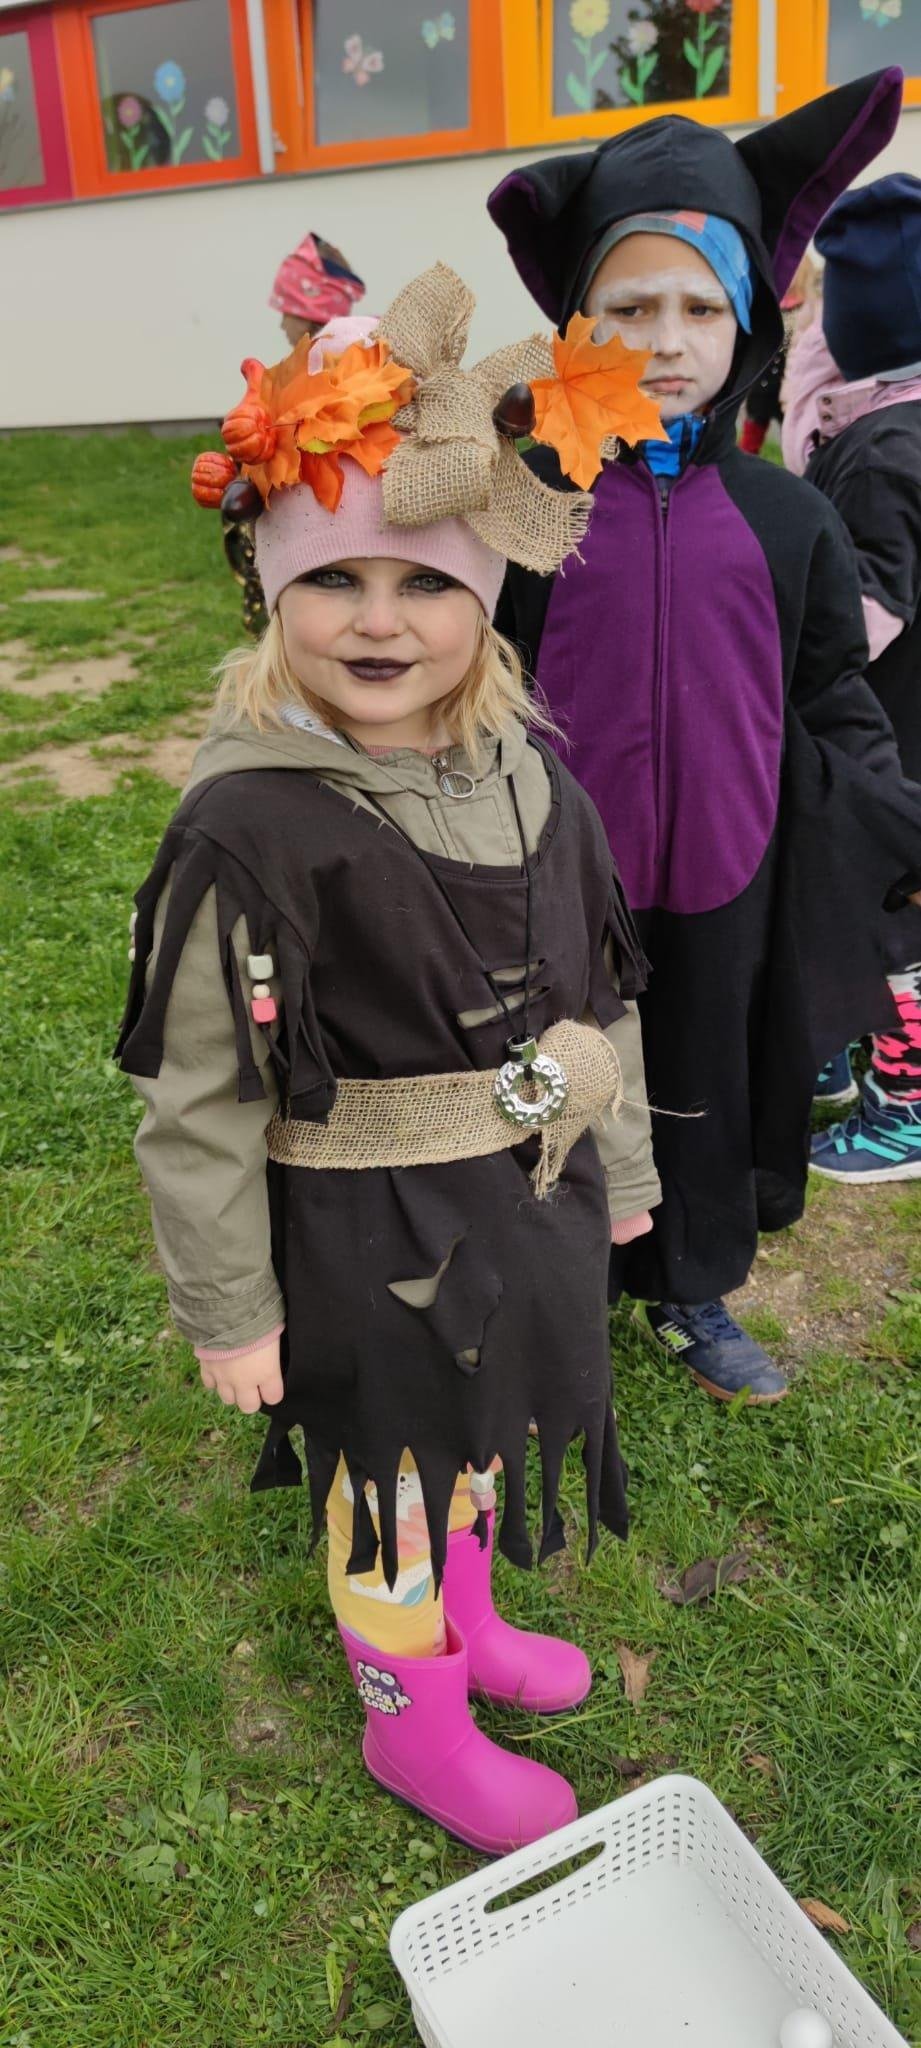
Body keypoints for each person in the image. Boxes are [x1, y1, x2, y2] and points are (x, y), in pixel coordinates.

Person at [117, 265, 662, 1856]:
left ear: (483, 600)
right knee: (390, 1485)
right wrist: (230, 1308)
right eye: (332, 581)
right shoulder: (247, 829)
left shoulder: (534, 780)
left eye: (423, 582)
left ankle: (467, 1627)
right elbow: (197, 1096)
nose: (376, 620)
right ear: (270, 594)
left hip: (521, 1201)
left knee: (475, 1440)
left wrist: (623, 1166)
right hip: (367, 1234)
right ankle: (411, 1721)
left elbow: (603, 994)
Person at [488, 66, 921, 1403]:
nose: (666, 340)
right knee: (564, 1076)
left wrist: (887, 825)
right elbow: (472, 668)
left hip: (734, 870)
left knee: (703, 1080)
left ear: (750, 320)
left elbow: (833, 691)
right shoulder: (528, 505)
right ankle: (553, 1276)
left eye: (699, 307)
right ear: (579, 320)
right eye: (629, 308)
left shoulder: (792, 518)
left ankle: (688, 1283)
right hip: (564, 878)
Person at [778, 177, 921, 1180]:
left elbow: (862, 617)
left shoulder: (881, 453)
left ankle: (905, 1110)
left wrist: (772, 643)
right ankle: (835, 1050)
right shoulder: (894, 429)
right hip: (898, 731)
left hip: (891, 736)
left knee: (893, 918)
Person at [221, 233, 366, 637]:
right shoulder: (360, 366)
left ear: (307, 310)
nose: (281, 322)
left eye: (285, 310)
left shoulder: (305, 385)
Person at [738, 253, 818, 457]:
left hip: (789, 387)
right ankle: (743, 464)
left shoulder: (806, 311)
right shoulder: (770, 307)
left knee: (791, 439)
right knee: (751, 435)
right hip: (762, 386)